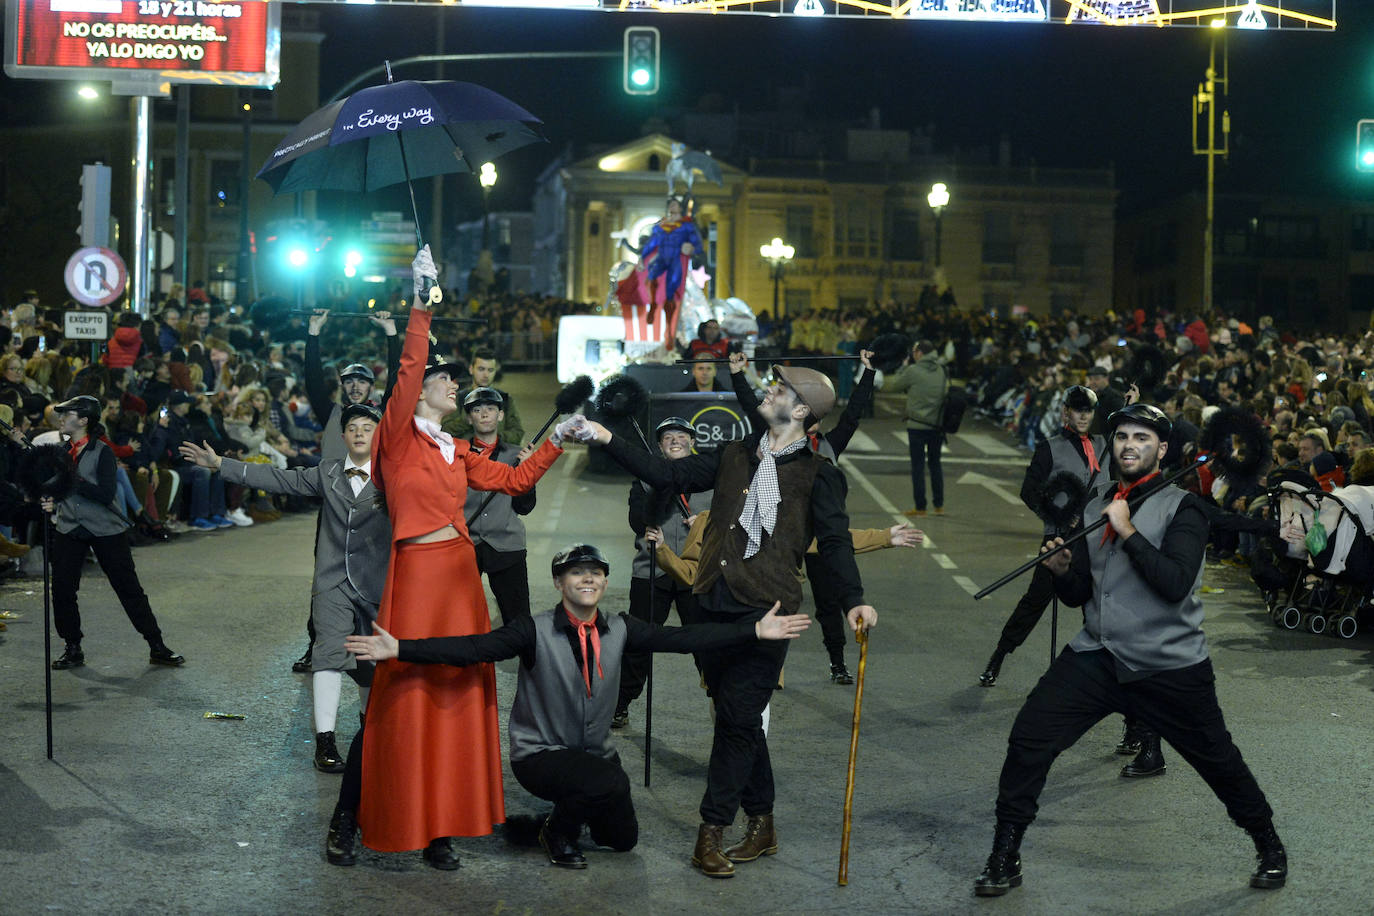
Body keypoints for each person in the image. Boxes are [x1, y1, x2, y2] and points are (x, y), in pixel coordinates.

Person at [574, 364, 878, 879]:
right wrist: (606, 437)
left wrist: (853, 599)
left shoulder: (819, 473)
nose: (768, 390)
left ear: (801, 410)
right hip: (712, 601)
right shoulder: (735, 455)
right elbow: (667, 475)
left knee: (736, 719)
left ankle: (711, 830)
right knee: (738, 716)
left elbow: (834, 542)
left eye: (779, 389)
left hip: (770, 611)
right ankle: (763, 823)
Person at [973, 403, 1287, 897]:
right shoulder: (1098, 502)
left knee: (1218, 761)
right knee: (1029, 738)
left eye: (1142, 438)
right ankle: (1004, 853)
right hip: (1098, 655)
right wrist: (1063, 572)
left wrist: (1128, 530)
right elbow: (1082, 594)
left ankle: (1267, 842)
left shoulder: (1183, 508)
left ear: (1161, 450)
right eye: (1122, 436)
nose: (1129, 445)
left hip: (1169, 664)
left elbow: (1174, 584)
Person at [338, 544, 811, 869]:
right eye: (577, 572)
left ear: (604, 582)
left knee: (621, 840)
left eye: (596, 573)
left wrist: (753, 631)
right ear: (560, 582)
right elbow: (473, 648)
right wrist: (401, 649)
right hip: (540, 755)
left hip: (594, 756)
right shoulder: (532, 629)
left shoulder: (621, 628)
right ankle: (556, 834)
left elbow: (684, 637)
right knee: (607, 782)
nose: (588, 578)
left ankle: (545, 823)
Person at [344, 246, 573, 870]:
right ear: (420, 393)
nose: (453, 385)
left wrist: (558, 440)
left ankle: (442, 830)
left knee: (453, 696)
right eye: (445, 380)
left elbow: (517, 479)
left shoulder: (457, 449)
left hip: (459, 580)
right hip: (418, 578)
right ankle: (388, 816)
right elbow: (408, 365)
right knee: (407, 695)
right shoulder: (397, 436)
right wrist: (421, 300)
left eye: (451, 379)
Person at [180, 404, 390, 774]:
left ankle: (369, 730)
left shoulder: (393, 476)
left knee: (371, 667)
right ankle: (325, 741)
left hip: (377, 584)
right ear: (342, 437)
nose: (359, 433)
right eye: (353, 427)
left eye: (367, 427)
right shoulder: (326, 472)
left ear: (379, 435)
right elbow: (278, 478)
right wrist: (221, 465)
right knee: (328, 656)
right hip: (331, 582)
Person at [727, 348, 880, 682]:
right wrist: (737, 375)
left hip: (817, 542)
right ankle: (772, 670)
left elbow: (852, 415)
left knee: (828, 603)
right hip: (786, 543)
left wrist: (868, 373)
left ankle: (837, 662)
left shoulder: (827, 448)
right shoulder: (774, 438)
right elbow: (752, 407)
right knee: (771, 598)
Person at [979, 385, 1110, 688]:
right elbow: (1029, 491)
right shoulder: (1050, 447)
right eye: (1077, 410)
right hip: (1060, 538)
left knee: (1097, 603)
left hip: (1096, 540)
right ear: (1066, 412)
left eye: (1088, 411)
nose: (1083, 416)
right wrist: (1060, 516)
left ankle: (1096, 670)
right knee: (1035, 600)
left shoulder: (1105, 444)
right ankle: (999, 655)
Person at [43, 396, 185, 671]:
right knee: (62, 589)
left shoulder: (103, 452)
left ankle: (156, 645)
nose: (61, 418)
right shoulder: (61, 452)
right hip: (69, 526)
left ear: (83, 420)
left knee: (128, 588)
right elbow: (57, 488)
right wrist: (51, 498)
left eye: (67, 414)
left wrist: (71, 479)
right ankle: (72, 647)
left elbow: (105, 494)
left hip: (105, 529)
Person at [613, 416, 713, 729]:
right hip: (651, 571)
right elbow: (637, 520)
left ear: (693, 442)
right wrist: (663, 487)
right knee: (638, 643)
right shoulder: (645, 480)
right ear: (658, 446)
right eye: (668, 437)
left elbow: (730, 518)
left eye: (681, 436)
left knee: (704, 642)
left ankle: (721, 698)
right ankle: (620, 704)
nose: (675, 441)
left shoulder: (711, 478)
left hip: (696, 573)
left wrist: (704, 520)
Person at [461, 386, 537, 625]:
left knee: (518, 618)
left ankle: (525, 651)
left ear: (501, 415)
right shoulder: (455, 455)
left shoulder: (516, 456)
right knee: (459, 616)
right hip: (465, 545)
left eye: (491, 409)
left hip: (506, 544)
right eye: (477, 410)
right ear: (468, 417)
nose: (484, 414)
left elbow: (525, 507)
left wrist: (527, 473)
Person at [883, 339, 948, 518]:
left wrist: (903, 368)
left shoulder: (913, 370)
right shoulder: (942, 370)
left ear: (919, 353)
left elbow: (894, 386)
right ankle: (939, 506)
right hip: (937, 425)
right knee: (935, 464)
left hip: (917, 425)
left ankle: (921, 507)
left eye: (914, 352)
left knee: (918, 467)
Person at [442, 348, 524, 444]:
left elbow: (517, 433)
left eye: (490, 370)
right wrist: (467, 420)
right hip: (465, 451)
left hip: (497, 451)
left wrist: (493, 438)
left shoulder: (505, 399)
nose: (486, 375)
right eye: (481, 369)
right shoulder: (458, 398)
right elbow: (445, 430)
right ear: (471, 369)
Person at [1085, 365, 1125, 436]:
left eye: (1096, 379)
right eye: (1090, 379)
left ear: (1106, 379)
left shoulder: (1114, 397)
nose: (1092, 382)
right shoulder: (1087, 395)